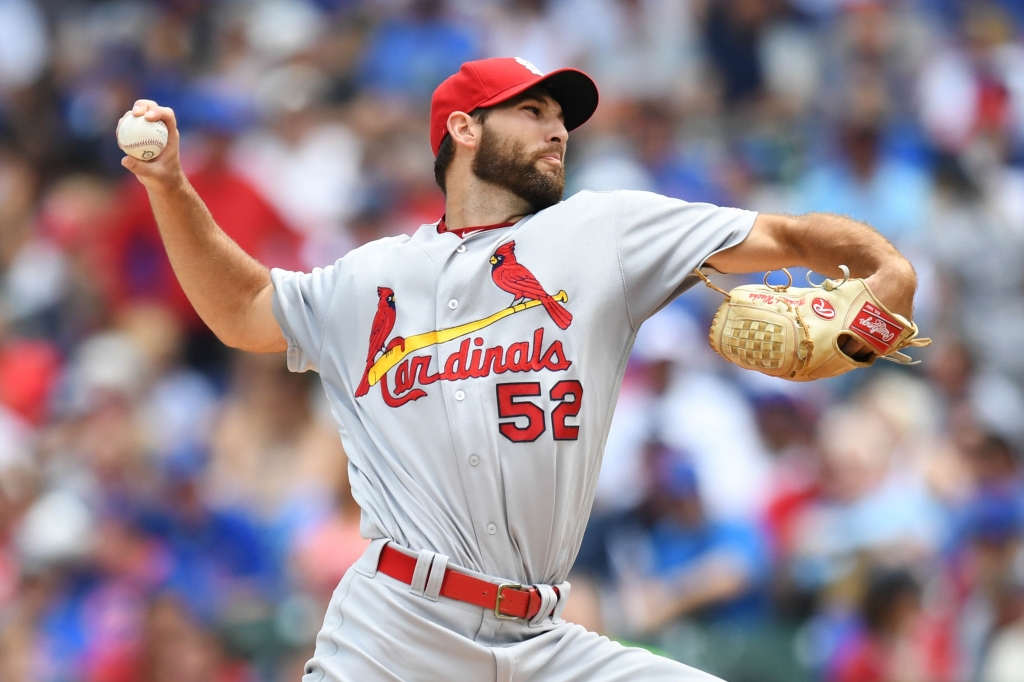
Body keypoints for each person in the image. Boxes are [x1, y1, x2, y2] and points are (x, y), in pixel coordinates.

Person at [117, 57, 920, 681]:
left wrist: (885, 268)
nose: (557, 128)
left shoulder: (604, 230)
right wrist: (170, 187)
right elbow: (243, 308)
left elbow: (786, 237)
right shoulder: (368, 278)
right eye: (532, 110)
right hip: (397, 629)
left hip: (542, 640)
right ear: (463, 129)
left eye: (561, 117)